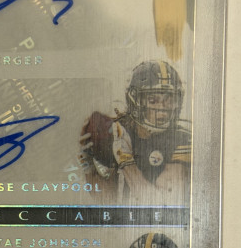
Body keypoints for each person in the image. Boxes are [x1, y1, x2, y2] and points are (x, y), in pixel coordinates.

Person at [79, 61, 191, 202]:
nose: (162, 108)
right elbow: (109, 199)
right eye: (153, 100)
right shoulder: (123, 133)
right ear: (136, 101)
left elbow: (160, 202)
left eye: (169, 100)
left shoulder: (182, 139)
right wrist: (88, 166)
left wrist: (126, 162)